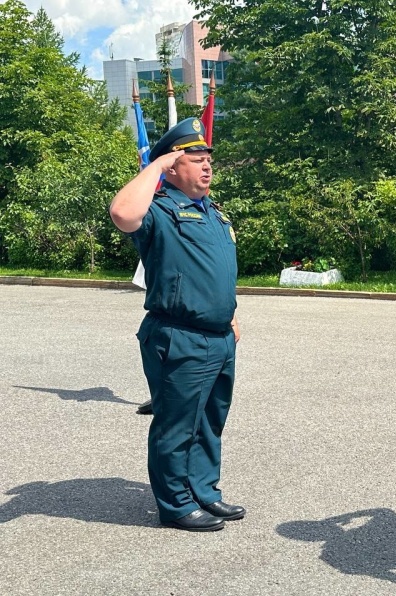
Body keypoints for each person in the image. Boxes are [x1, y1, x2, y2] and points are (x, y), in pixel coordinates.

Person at [109, 118, 244, 532]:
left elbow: (211, 272)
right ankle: (176, 505)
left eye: (208, 160)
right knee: (177, 425)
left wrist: (230, 316)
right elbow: (121, 213)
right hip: (179, 336)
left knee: (209, 422)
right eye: (195, 159)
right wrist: (155, 165)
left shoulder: (211, 212)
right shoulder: (160, 211)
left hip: (218, 338)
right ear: (171, 167)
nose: (206, 167)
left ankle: (203, 491)